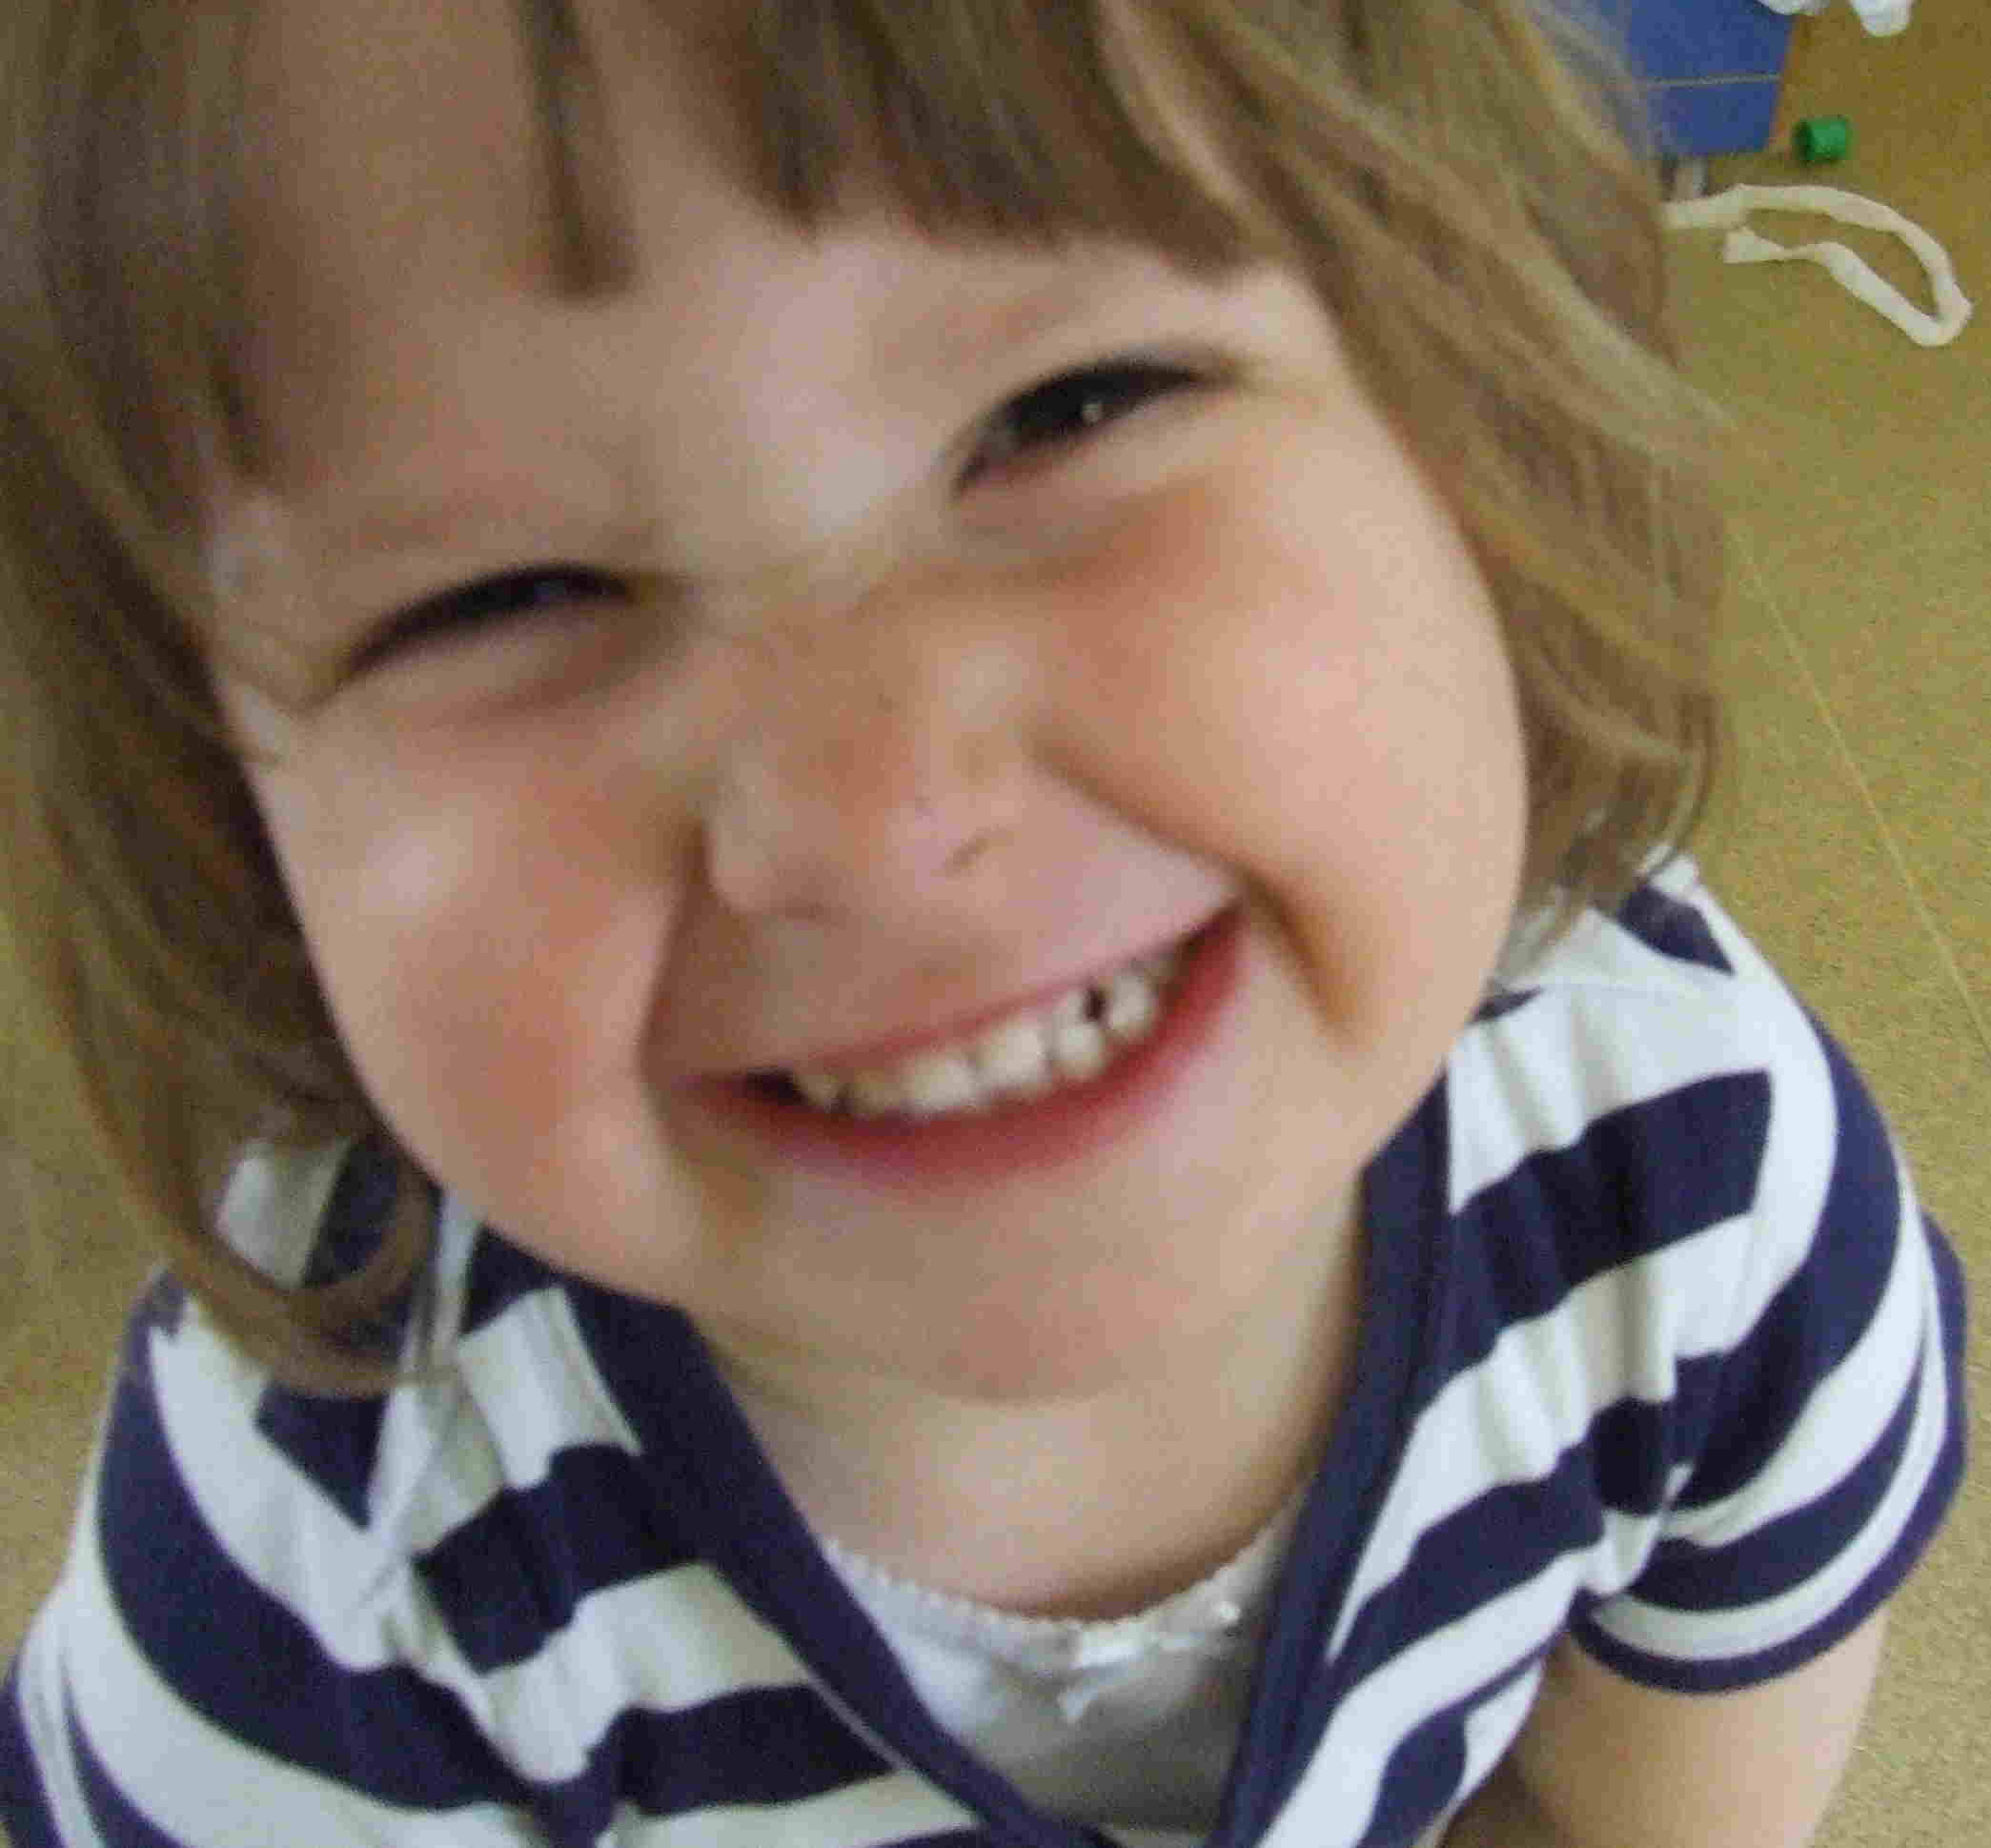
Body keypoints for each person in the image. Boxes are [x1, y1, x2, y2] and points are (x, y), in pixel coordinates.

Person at [0, 0, 1967, 1843]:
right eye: (500, 599)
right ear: (220, 822)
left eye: (1070, 405)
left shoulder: (1700, 1174)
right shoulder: (303, 1578)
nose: (871, 821)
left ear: (1484, 430)